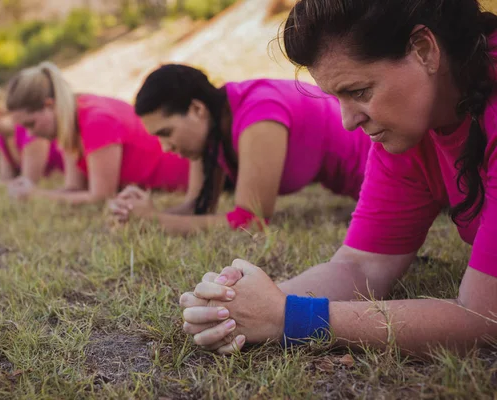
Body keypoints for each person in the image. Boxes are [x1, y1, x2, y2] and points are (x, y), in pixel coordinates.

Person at [179, 0, 497, 356]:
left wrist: (292, 318)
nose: (348, 121)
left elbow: (484, 318)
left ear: (424, 51)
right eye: (337, 97)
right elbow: (362, 264)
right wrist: (244, 303)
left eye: (359, 92)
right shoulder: (410, 127)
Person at [109, 64, 371, 234]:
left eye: (166, 133)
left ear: (197, 110)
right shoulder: (212, 131)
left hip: (384, 167)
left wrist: (154, 221)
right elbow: (198, 208)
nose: (165, 147)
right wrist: (142, 212)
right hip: (361, 190)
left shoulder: (259, 114)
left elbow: (251, 222)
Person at [5, 62, 190, 204]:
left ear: (49, 105)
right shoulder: (71, 121)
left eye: (31, 124)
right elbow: (74, 188)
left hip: (183, 178)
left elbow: (100, 196)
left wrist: (37, 195)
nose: (31, 134)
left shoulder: (96, 121)